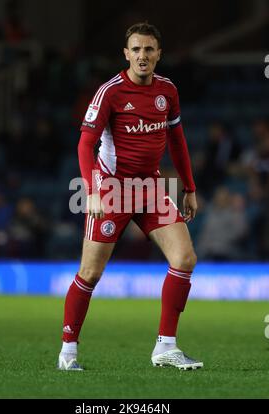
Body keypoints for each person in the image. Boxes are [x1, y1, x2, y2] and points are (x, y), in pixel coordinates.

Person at [58, 22, 203, 371]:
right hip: (112, 189)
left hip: (151, 187)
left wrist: (189, 186)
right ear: (126, 54)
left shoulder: (167, 90)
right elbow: (85, 143)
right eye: (136, 49)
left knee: (184, 259)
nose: (143, 56)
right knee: (90, 273)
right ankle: (68, 350)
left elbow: (177, 141)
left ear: (158, 54)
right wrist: (91, 191)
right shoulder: (110, 91)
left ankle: (165, 347)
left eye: (149, 50)